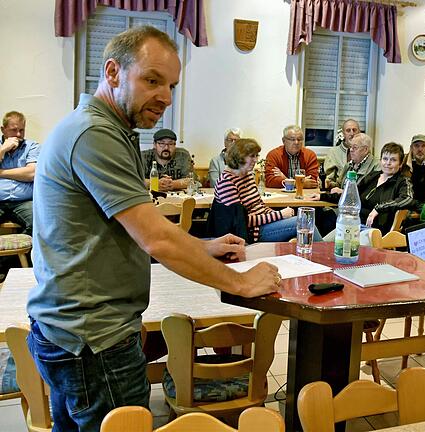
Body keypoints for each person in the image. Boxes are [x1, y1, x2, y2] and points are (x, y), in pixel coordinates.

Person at [26, 26, 282, 431]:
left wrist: (205, 246)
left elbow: (137, 224)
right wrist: (242, 283)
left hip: (73, 334)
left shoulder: (110, 129)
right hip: (94, 342)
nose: (165, 96)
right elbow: (156, 237)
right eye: (151, 80)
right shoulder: (95, 133)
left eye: (172, 85)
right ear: (113, 73)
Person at [214, 138, 322, 243]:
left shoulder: (247, 176)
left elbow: (260, 206)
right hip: (252, 232)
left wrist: (277, 215)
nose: (256, 160)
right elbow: (241, 221)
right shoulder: (227, 182)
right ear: (238, 157)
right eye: (252, 156)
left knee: (303, 219)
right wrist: (279, 215)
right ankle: (323, 253)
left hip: (263, 224)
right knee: (303, 221)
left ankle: (318, 252)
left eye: (256, 155)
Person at [310, 142, 416, 232]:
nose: (387, 163)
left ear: (400, 164)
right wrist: (323, 196)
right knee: (319, 216)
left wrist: (378, 209)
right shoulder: (374, 176)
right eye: (385, 159)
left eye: (393, 160)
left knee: (321, 226)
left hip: (372, 229)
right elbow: (351, 196)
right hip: (354, 220)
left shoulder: (403, 181)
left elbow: (407, 199)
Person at [0, 111, 38, 235]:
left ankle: (15, 254)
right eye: (14, 130)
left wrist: (1, 172)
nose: (18, 134)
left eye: (21, 130)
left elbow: (31, 173)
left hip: (24, 202)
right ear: (3, 130)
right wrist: (3, 149)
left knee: (40, 222)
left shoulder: (32, 147)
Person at [324, 119, 359, 189]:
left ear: (359, 132)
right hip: (339, 191)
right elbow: (329, 179)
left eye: (354, 130)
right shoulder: (333, 152)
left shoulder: (364, 150)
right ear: (343, 133)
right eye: (348, 130)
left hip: (360, 190)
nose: (352, 133)